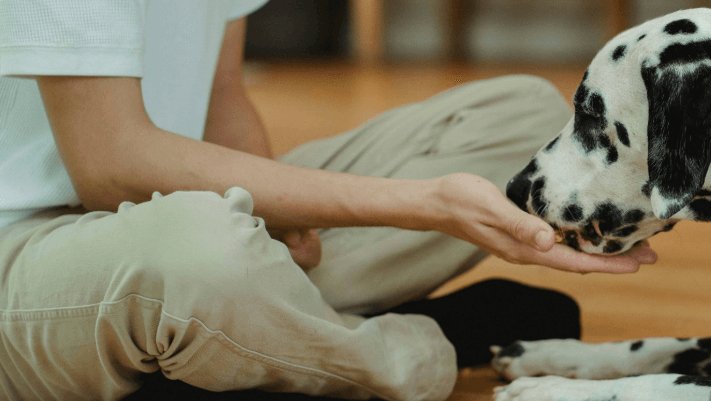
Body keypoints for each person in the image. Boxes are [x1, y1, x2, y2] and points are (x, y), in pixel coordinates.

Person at [0, 1, 658, 400]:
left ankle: (244, 346)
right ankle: (415, 349)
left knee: (521, 119)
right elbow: (109, 164)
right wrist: (421, 202)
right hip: (24, 257)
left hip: (158, 214)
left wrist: (279, 218)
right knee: (204, 251)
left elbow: (223, 93)